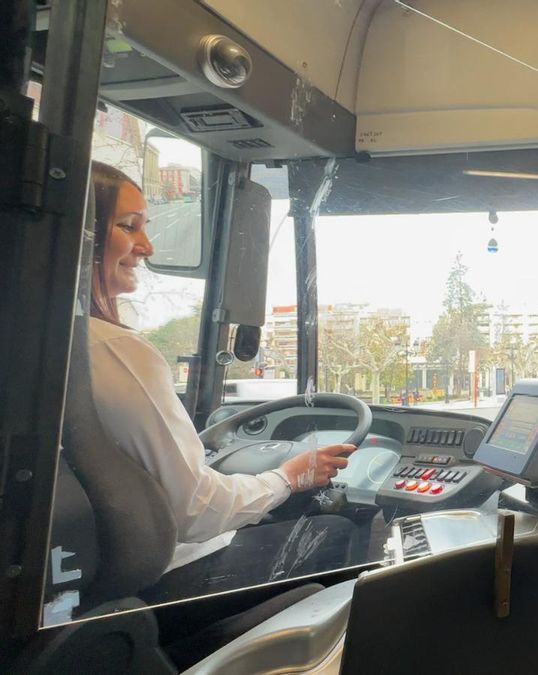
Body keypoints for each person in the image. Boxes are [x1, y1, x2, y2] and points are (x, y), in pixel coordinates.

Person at [86, 162, 358, 601]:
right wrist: (288, 476)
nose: (147, 246)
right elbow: (195, 511)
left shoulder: (47, 342)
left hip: (100, 577)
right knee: (338, 531)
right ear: (81, 233)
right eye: (127, 226)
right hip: (170, 575)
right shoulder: (115, 351)